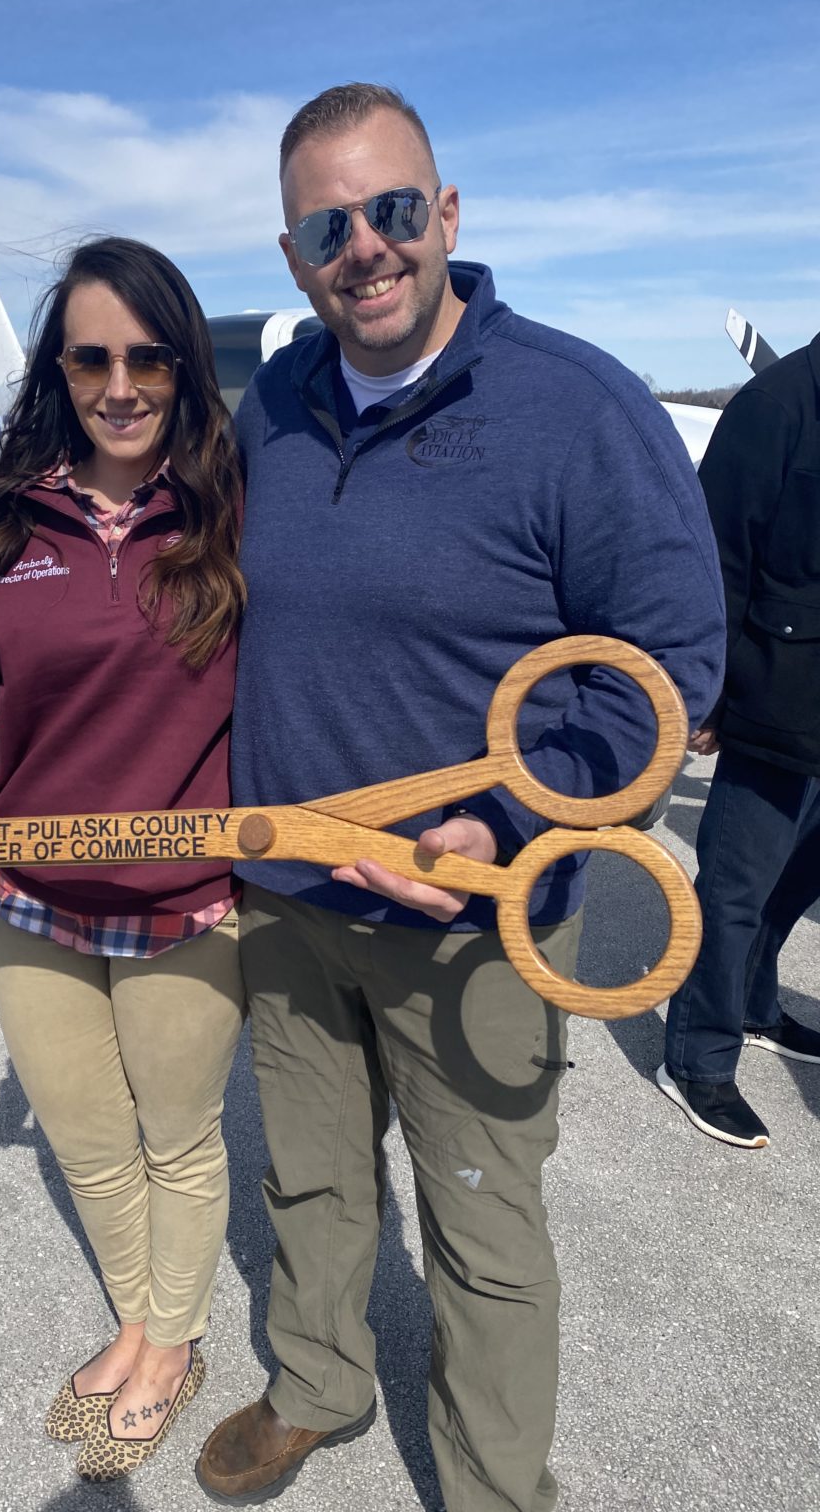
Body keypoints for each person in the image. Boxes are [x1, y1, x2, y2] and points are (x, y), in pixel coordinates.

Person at [193, 84, 726, 1512]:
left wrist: (512, 829)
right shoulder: (280, 405)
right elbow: (231, 620)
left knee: (485, 1224)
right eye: (329, 225)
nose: (366, 246)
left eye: (393, 210)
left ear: (448, 215)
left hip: (474, 924)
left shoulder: (576, 406)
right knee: (307, 1179)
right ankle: (320, 1385)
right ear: (294, 255)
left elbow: (664, 666)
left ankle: (496, 1487)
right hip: (291, 900)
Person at [0, 237, 247, 1482]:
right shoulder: (2, 519)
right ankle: (137, 1318)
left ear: (183, 368)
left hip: (187, 905)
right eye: (92, 356)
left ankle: (173, 1340)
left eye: (148, 356)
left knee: (179, 1138)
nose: (121, 384)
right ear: (59, 370)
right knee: (88, 1140)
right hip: (33, 904)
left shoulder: (234, 515)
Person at [658, 331, 820, 1148]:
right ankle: (698, 1060)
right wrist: (703, 694)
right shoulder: (775, 406)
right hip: (775, 696)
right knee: (733, 890)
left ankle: (756, 1008)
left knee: (796, 883)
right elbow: (712, 561)